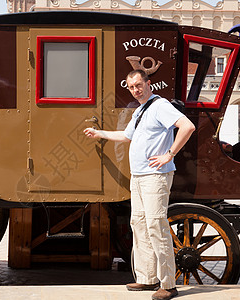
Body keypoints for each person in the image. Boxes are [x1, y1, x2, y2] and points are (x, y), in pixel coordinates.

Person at [84, 69, 195, 300]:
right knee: (140, 224)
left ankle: (168, 284)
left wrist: (169, 154)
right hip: (139, 176)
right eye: (131, 87)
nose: (135, 90)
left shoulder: (160, 105)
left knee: (156, 226)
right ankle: (147, 278)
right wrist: (99, 133)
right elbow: (127, 136)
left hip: (156, 176)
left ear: (148, 83)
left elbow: (187, 127)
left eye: (138, 85)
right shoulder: (141, 110)